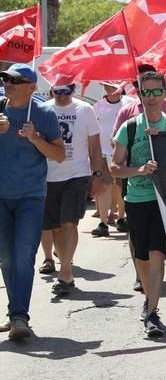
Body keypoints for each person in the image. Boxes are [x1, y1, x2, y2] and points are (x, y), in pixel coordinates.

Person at [111, 71, 166, 337]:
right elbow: (114, 168)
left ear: (165, 94)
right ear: (140, 95)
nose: (152, 97)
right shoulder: (129, 128)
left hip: (165, 201)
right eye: (147, 92)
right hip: (137, 200)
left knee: (157, 254)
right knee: (141, 257)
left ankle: (152, 312)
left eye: (157, 92)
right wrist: (140, 169)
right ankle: (148, 297)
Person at [0, 64, 65, 339]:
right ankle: (15, 311)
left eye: (16, 80)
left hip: (31, 196)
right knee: (5, 257)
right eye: (6, 79)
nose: (8, 83)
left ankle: (19, 316)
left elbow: (60, 155)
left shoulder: (44, 114)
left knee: (24, 255)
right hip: (1, 196)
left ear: (31, 86)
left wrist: (35, 138)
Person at [40, 83, 107, 296]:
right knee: (57, 227)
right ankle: (65, 267)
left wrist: (97, 174)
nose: (62, 96)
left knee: (69, 222)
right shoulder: (44, 109)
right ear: (51, 92)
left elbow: (94, 145)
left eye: (66, 91)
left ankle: (65, 270)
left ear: (74, 89)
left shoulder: (84, 109)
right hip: (49, 175)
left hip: (77, 174)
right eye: (57, 91)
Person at [90, 82, 134, 237]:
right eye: (105, 85)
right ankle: (103, 223)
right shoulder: (98, 106)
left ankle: (121, 217)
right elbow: (92, 129)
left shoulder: (129, 104)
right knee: (104, 187)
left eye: (111, 85)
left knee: (121, 188)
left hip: (123, 152)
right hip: (102, 152)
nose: (108, 88)